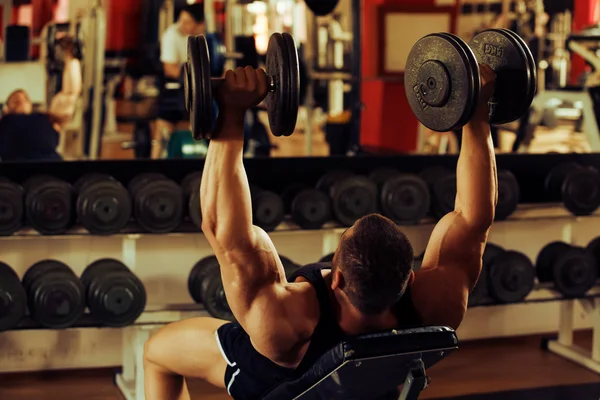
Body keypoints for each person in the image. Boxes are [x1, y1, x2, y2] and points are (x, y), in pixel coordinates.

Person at [143, 64, 498, 400]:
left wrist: (232, 115)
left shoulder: (286, 320)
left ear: (337, 279)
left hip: (279, 385)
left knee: (156, 353)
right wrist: (477, 114)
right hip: (370, 385)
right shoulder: (438, 304)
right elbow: (473, 219)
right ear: (408, 279)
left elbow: (223, 230)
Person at [0, 36, 81, 161]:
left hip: (50, 169)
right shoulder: (4, 122)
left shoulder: (47, 118)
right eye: (15, 100)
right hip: (17, 172)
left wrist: (70, 58)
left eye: (25, 99)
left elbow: (70, 94)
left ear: (31, 107)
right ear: (6, 109)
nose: (21, 100)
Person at [154, 3, 206, 159]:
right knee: (164, 128)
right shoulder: (171, 34)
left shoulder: (204, 38)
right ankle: (154, 162)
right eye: (181, 20)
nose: (182, 24)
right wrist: (196, 79)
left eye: (187, 21)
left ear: (199, 25)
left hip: (195, 87)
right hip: (173, 88)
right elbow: (170, 69)